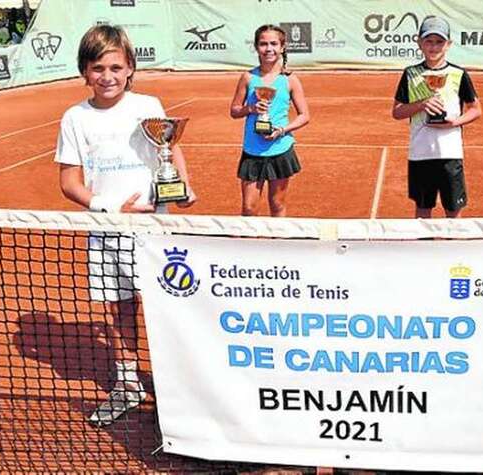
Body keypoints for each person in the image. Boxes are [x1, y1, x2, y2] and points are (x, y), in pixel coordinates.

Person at [54, 24, 196, 426]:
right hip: (107, 230)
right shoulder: (74, 118)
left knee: (165, 305)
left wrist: (182, 186)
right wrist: (112, 207)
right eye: (98, 68)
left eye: (116, 67)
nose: (107, 76)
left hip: (153, 231)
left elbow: (170, 148)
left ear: (130, 68)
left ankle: (178, 387)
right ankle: (128, 384)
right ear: (85, 71)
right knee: (120, 309)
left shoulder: (147, 104)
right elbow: (69, 183)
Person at [392, 16, 481, 218]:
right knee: (423, 211)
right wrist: (421, 104)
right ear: (419, 43)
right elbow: (397, 112)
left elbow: (476, 109)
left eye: (439, 41)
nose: (434, 47)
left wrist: (454, 122)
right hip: (420, 153)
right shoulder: (410, 74)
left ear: (448, 44)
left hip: (450, 153)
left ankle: (453, 241)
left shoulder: (458, 74)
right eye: (429, 41)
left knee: (453, 211)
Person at [229, 24, 310, 217]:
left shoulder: (290, 79)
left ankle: (279, 238)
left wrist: (282, 130)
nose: (269, 49)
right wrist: (250, 108)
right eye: (263, 44)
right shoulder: (248, 77)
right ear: (256, 47)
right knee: (249, 208)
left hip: (280, 149)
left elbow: (305, 116)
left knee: (277, 204)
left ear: (282, 47)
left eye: (274, 44)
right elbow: (234, 110)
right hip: (252, 151)